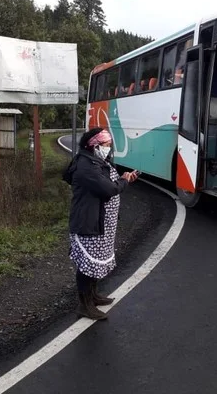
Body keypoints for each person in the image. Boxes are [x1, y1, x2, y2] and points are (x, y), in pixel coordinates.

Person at [67, 127, 139, 320]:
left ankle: (93, 295)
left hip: (98, 222)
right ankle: (84, 305)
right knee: (87, 265)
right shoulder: (86, 167)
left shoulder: (95, 161)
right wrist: (124, 180)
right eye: (106, 145)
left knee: (95, 262)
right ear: (95, 145)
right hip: (88, 223)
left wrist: (123, 179)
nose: (108, 149)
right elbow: (107, 189)